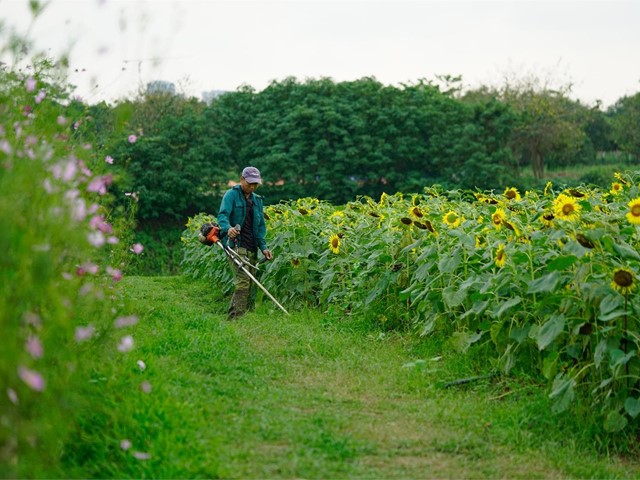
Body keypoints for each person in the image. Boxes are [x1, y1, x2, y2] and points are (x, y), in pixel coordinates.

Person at [217, 166, 273, 320]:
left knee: (251, 283)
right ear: (241, 179)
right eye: (249, 183)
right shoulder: (231, 195)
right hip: (235, 244)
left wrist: (264, 247)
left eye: (255, 183)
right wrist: (228, 229)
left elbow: (261, 226)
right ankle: (236, 318)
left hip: (252, 246)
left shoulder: (257, 200)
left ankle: (246, 316)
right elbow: (222, 216)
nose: (252, 186)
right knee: (243, 282)